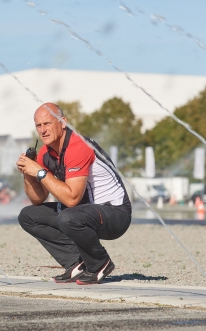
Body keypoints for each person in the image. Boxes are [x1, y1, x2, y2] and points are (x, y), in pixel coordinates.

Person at [16, 103, 132, 285]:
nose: (43, 130)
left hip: (115, 213)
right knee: (29, 215)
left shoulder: (78, 146)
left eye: (47, 123)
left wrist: (39, 172)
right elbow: (37, 198)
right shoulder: (46, 152)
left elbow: (72, 199)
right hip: (81, 213)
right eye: (39, 125)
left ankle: (99, 262)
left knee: (68, 217)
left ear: (63, 122)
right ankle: (76, 263)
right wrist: (28, 173)